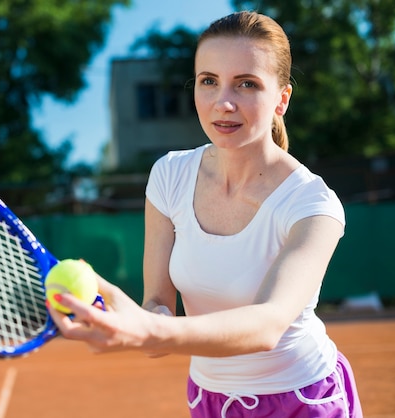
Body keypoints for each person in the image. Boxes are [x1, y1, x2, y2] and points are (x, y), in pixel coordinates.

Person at [47, 11, 363, 418]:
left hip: (301, 400)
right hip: (209, 399)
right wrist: (124, 316)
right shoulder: (169, 176)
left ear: (282, 99)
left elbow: (268, 324)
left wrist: (150, 329)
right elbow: (159, 305)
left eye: (246, 84)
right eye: (208, 81)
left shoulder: (313, 204)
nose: (223, 102)